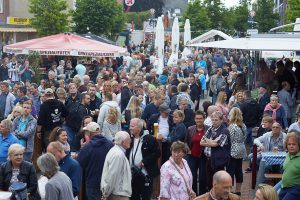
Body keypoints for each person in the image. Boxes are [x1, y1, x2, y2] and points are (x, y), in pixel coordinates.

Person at [77, 122, 114, 200]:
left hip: (93, 183)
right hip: (108, 183)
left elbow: (79, 163)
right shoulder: (110, 144)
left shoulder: (87, 147)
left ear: (89, 133)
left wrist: (81, 149)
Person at [127, 118, 160, 200]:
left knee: (146, 196)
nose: (130, 128)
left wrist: (145, 161)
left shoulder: (149, 139)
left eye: (132, 126)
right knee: (134, 196)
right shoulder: (129, 138)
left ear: (139, 128)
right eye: (130, 126)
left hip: (145, 174)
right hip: (133, 174)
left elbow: (157, 153)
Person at [200, 111, 231, 189]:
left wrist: (209, 141)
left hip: (218, 161)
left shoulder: (225, 130)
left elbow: (216, 144)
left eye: (216, 120)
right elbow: (201, 142)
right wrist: (213, 141)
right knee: (209, 181)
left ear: (221, 120)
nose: (214, 121)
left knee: (219, 181)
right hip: (208, 159)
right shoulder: (211, 128)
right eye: (212, 120)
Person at [101, 131, 132, 200]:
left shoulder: (115, 151)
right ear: (122, 142)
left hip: (117, 193)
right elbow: (112, 175)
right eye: (128, 139)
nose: (130, 141)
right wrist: (106, 193)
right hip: (118, 195)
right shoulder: (118, 155)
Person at [185, 110, 209, 195]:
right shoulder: (190, 129)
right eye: (197, 118)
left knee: (203, 178)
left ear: (204, 119)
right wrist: (188, 150)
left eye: (201, 118)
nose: (199, 120)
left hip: (203, 157)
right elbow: (185, 142)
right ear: (194, 119)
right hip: (192, 157)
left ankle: (202, 195)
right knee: (193, 177)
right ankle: (194, 195)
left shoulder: (208, 129)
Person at [227, 108, 247, 196]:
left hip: (233, 149)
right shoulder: (243, 125)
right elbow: (245, 137)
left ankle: (230, 191)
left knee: (230, 170)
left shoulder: (232, 126)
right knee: (239, 170)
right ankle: (238, 191)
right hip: (241, 148)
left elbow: (229, 139)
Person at [278, 132, 300, 200]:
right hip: (284, 186)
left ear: (298, 145)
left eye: (294, 144)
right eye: (289, 144)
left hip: (296, 189)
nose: (291, 146)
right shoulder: (288, 155)